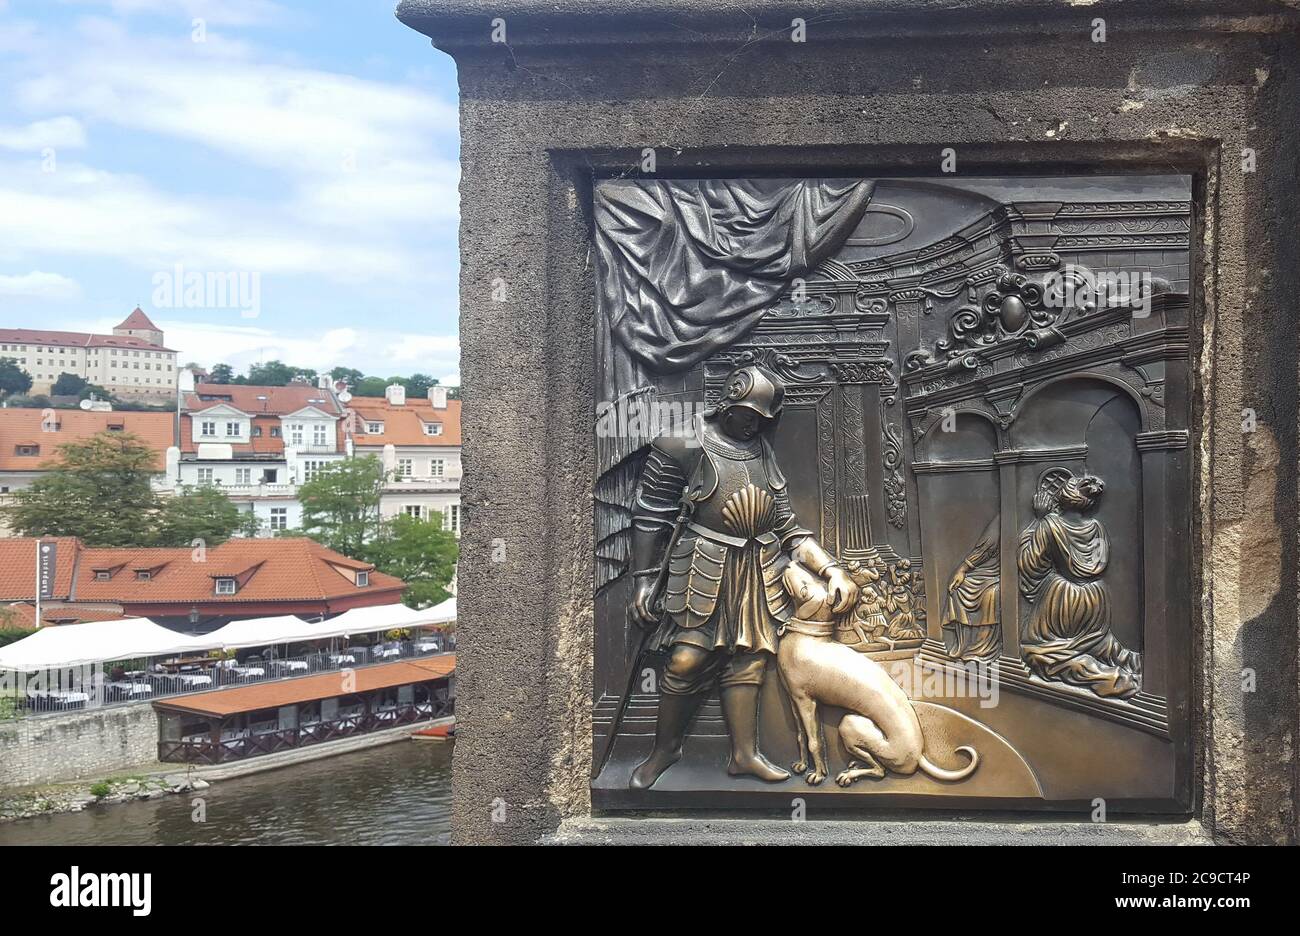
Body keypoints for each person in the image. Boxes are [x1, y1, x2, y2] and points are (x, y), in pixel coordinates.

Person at [627, 363, 857, 789]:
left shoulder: (762, 452)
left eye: (762, 420)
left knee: (749, 660)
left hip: (756, 568)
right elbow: (650, 515)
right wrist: (642, 578)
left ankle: (743, 755)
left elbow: (787, 525)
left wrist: (831, 568)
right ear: (728, 405)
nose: (754, 426)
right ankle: (665, 749)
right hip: (702, 562)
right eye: (749, 416)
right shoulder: (684, 442)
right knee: (684, 660)